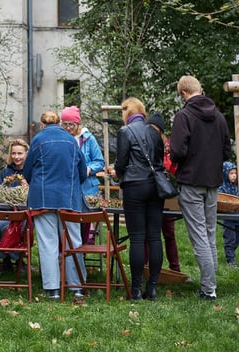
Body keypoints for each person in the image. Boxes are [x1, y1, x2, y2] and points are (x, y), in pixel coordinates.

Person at [170, 75, 232, 301]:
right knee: (209, 233)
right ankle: (211, 283)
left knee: (199, 236)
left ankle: (209, 288)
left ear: (184, 93)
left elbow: (177, 152)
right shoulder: (219, 117)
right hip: (213, 182)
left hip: (191, 181)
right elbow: (227, 151)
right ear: (200, 89)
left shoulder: (183, 116)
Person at [23, 110, 87, 300]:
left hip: (42, 198)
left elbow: (27, 171)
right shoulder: (71, 141)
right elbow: (82, 171)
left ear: (42, 124)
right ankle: (76, 286)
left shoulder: (38, 140)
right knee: (73, 242)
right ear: (59, 123)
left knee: (48, 243)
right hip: (69, 199)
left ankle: (52, 289)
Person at [113, 98, 163, 301]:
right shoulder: (154, 132)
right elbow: (159, 160)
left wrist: (117, 172)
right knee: (154, 237)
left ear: (127, 112)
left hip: (134, 186)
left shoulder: (125, 132)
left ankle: (135, 289)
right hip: (155, 187)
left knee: (137, 237)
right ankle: (152, 288)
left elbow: (122, 161)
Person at [60, 105, 105, 245]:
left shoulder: (88, 139)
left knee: (84, 222)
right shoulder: (61, 139)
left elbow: (100, 161)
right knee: (67, 221)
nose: (68, 128)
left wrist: (89, 169)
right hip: (67, 187)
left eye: (71, 124)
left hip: (87, 188)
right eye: (65, 124)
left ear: (78, 124)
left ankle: (83, 252)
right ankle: (68, 253)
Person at [147, 112, 182, 273]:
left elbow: (172, 166)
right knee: (149, 233)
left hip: (165, 194)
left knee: (169, 233)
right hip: (149, 191)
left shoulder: (167, 146)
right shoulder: (144, 141)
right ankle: (146, 267)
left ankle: (175, 268)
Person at [0, 139, 29, 274]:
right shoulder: (6, 171)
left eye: (20, 153)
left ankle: (18, 259)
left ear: (26, 154)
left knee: (18, 227)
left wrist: (27, 186)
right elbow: (0, 193)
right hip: (6, 211)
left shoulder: (31, 171)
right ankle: (6, 259)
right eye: (13, 153)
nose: (16, 157)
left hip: (23, 213)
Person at [219, 161, 239, 269]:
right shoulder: (222, 188)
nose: (234, 176)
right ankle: (230, 260)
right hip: (228, 218)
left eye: (235, 173)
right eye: (231, 173)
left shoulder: (235, 187)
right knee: (230, 239)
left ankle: (232, 256)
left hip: (237, 216)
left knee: (237, 240)